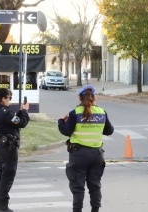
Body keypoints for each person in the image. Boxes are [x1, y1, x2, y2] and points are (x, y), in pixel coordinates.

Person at [58, 84, 114, 212]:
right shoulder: (101, 112)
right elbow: (109, 131)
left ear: (80, 98)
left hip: (79, 155)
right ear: (94, 97)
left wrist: (61, 121)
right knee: (95, 186)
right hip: (97, 155)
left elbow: (66, 131)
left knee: (78, 187)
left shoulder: (75, 113)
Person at [0, 88, 30, 212]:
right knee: (7, 174)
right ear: (3, 98)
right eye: (9, 98)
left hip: (1, 144)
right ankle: (4, 207)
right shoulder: (5, 112)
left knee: (0, 174)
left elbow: (13, 121)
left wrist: (19, 111)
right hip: (8, 147)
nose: (9, 100)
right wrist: (24, 111)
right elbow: (22, 123)